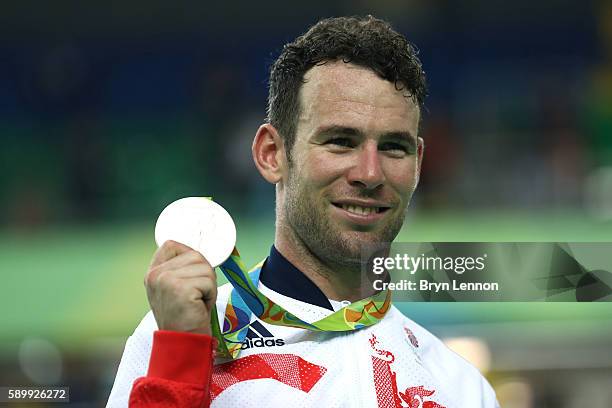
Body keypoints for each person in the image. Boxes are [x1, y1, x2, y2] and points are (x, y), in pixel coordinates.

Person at [107, 15, 500, 407]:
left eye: (393, 147)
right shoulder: (177, 341)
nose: (369, 173)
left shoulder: (461, 387)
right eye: (340, 141)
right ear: (271, 154)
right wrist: (180, 362)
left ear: (417, 163)